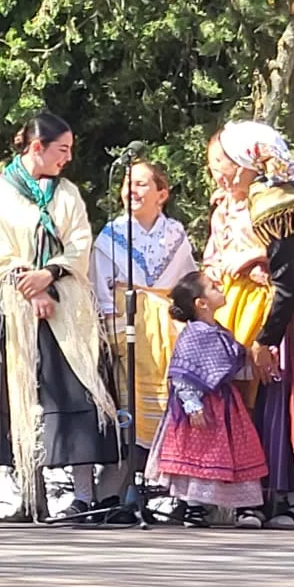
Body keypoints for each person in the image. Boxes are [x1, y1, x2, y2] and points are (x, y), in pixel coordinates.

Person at [0, 113, 120, 521]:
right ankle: (28, 493)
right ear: (36, 147)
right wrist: (33, 287)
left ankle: (84, 494)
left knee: (80, 395)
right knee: (22, 399)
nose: (68, 158)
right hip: (14, 307)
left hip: (66, 306)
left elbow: (80, 241)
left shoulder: (67, 194)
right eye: (62, 149)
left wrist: (52, 274)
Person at [204, 121, 294, 526]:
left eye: (220, 162)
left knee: (291, 401)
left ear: (243, 163)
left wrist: (266, 338)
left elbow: (287, 280)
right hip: (242, 311)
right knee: (252, 402)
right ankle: (254, 496)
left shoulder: (276, 202)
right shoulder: (248, 202)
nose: (216, 173)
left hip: (283, 317)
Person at [88, 161, 198, 465]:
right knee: (130, 405)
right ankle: (133, 481)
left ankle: (166, 483)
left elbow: (187, 282)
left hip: (169, 331)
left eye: (140, 184)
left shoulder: (176, 233)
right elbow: (100, 286)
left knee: (173, 402)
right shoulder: (111, 235)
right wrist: (113, 333)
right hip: (129, 329)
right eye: (127, 184)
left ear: (162, 194)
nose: (130, 191)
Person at [147, 272, 268, 522]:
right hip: (204, 404)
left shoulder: (218, 331)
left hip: (226, 402)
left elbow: (228, 363)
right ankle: (196, 504)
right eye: (213, 287)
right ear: (201, 303)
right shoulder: (195, 334)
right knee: (202, 453)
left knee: (237, 450)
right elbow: (182, 372)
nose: (221, 287)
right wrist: (192, 405)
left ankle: (243, 507)